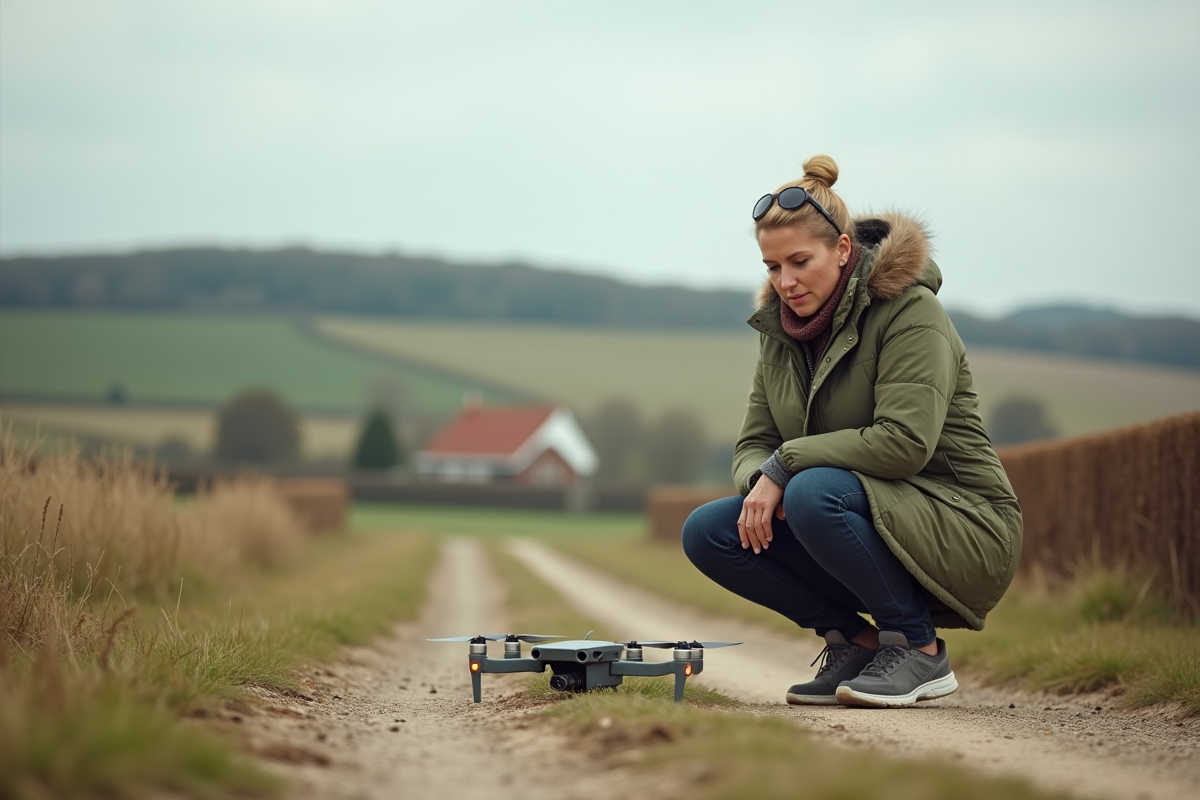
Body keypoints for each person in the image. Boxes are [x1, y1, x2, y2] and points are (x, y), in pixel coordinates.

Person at [681, 154, 1022, 708]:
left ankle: (918, 649)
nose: (786, 282)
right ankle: (856, 644)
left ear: (842, 250)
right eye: (772, 267)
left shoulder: (912, 312)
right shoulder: (780, 335)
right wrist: (762, 480)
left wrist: (785, 468)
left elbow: (904, 442)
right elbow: (754, 443)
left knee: (811, 489)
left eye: (800, 261)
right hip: (854, 507)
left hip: (962, 521)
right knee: (708, 531)